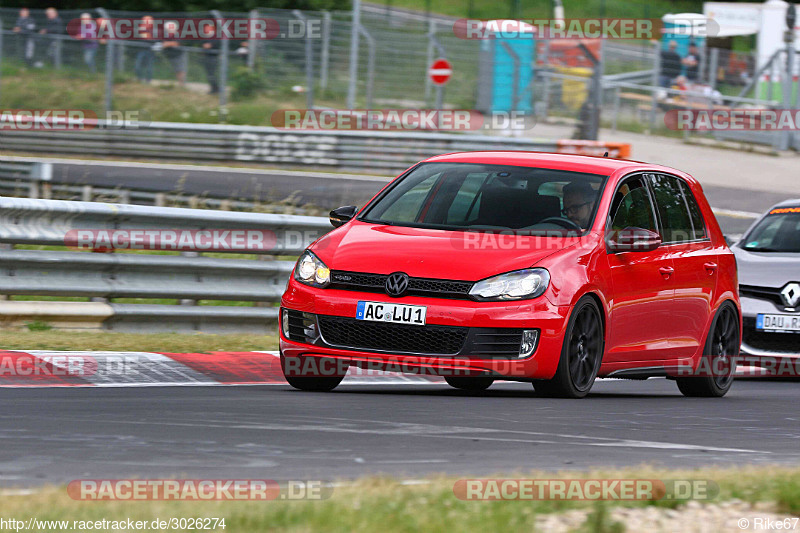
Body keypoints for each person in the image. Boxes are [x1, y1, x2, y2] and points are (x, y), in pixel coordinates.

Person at [161, 21, 186, 86]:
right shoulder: (166, 35)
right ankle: (178, 83)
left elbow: (176, 43)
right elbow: (163, 43)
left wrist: (168, 44)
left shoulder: (177, 34)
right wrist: (168, 44)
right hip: (171, 55)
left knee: (180, 69)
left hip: (179, 55)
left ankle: (182, 84)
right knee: (176, 70)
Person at [134, 16, 156, 84]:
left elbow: (150, 38)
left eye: (148, 21)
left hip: (150, 51)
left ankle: (148, 82)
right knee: (137, 66)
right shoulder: (140, 29)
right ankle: (139, 79)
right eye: (145, 21)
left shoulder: (154, 30)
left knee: (149, 68)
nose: (146, 23)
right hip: (141, 50)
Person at [201, 22, 220, 94]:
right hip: (207, 57)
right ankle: (213, 88)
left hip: (213, 58)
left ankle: (216, 89)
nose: (206, 30)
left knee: (212, 74)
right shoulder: (206, 37)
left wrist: (207, 45)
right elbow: (204, 45)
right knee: (209, 74)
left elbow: (209, 46)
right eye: (205, 29)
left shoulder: (215, 37)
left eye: (208, 28)